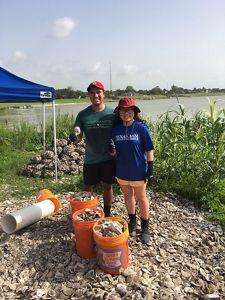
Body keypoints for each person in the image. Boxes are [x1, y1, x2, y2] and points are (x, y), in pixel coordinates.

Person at [110, 97, 154, 244]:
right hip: (122, 171)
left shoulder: (141, 128)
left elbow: (149, 149)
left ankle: (145, 228)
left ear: (134, 112)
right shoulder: (115, 130)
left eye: (129, 110)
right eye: (122, 110)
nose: (126, 113)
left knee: (142, 198)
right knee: (128, 197)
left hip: (138, 171)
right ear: (119, 112)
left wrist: (151, 169)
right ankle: (133, 222)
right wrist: (111, 151)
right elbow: (114, 153)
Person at [70, 81, 116, 217]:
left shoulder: (113, 113)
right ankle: (88, 212)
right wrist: (75, 137)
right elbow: (79, 137)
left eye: (98, 92)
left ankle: (107, 214)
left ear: (104, 94)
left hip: (108, 158)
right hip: (91, 159)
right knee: (87, 188)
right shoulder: (83, 115)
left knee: (107, 186)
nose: (95, 95)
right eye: (92, 92)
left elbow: (124, 126)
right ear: (89, 95)